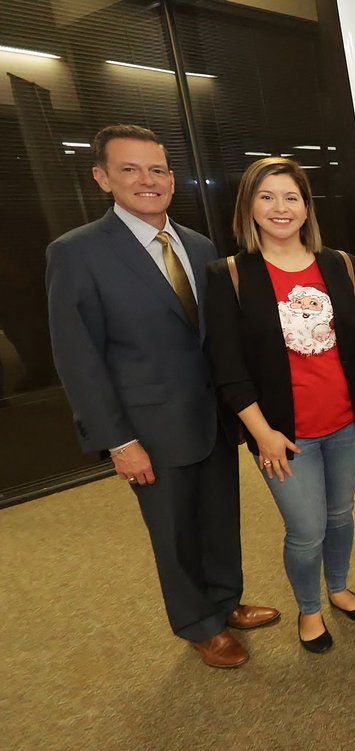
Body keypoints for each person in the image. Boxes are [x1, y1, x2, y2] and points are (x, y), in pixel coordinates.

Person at [45, 125, 278, 669]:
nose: (146, 180)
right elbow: (77, 357)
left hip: (212, 417)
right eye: (129, 169)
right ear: (102, 177)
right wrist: (118, 440)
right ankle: (198, 624)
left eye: (156, 170)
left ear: (172, 179)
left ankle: (225, 600)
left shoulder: (198, 245)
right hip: (148, 427)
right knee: (174, 531)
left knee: (219, 516)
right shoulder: (76, 253)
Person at [204, 158, 355, 654]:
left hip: (348, 423)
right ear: (249, 206)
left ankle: (339, 588)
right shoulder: (230, 275)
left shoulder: (342, 264)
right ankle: (310, 609)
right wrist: (261, 433)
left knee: (341, 513)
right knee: (306, 530)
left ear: (307, 207)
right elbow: (228, 368)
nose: (280, 208)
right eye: (266, 197)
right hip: (282, 433)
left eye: (291, 197)